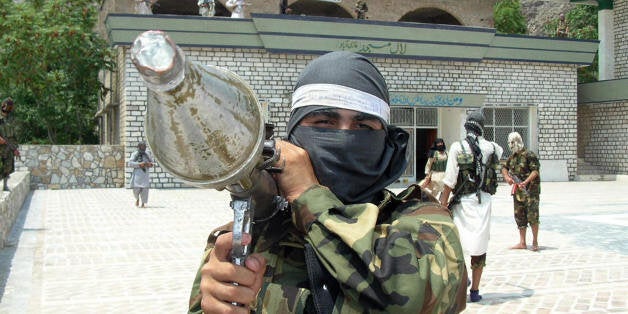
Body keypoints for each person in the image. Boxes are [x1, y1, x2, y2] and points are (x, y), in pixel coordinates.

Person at [188, 51, 467, 313]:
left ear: (386, 141)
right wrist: (214, 302)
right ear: (293, 137)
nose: (344, 137)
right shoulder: (248, 235)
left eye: (363, 126)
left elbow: (409, 299)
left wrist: (308, 194)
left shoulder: (424, 223)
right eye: (323, 122)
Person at [439, 108, 503, 303]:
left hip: (462, 204)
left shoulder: (458, 147)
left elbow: (449, 182)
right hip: (484, 203)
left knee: (455, 245)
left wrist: (442, 206)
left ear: (467, 126)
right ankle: (474, 291)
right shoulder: (493, 147)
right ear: (482, 128)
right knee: (479, 247)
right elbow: (497, 159)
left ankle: (462, 281)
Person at [501, 131, 541, 252]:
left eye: (512, 142)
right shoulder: (512, 157)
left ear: (518, 142)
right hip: (518, 193)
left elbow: (535, 171)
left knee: (532, 216)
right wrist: (507, 177)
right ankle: (522, 242)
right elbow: (504, 167)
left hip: (530, 192)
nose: (511, 145)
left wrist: (526, 181)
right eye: (509, 143)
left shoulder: (529, 155)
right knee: (519, 216)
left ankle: (535, 241)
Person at [0, 97, 20, 192]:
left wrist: (15, 148)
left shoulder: (11, 119)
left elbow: (14, 136)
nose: (9, 108)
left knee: (8, 166)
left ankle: (5, 185)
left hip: (8, 147)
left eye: (11, 107)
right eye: (8, 106)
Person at [128, 141, 154, 207]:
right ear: (139, 147)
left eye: (145, 147)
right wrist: (139, 164)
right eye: (142, 146)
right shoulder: (134, 154)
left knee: (145, 190)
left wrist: (150, 164)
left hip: (145, 175)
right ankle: (137, 199)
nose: (144, 148)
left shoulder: (147, 154)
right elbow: (130, 163)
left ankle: (143, 203)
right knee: (136, 189)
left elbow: (152, 163)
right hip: (137, 175)